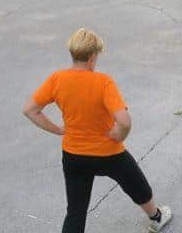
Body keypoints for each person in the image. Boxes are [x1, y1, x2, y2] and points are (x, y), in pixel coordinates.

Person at [23, 28, 173, 233]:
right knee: (137, 185)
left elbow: (30, 110)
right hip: (109, 154)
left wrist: (58, 130)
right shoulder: (103, 82)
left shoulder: (57, 79)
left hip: (74, 156)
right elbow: (124, 120)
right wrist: (119, 134)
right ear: (93, 56)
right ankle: (156, 217)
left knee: (75, 211)